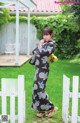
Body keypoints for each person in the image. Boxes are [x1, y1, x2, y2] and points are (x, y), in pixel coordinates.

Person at [29, 27, 58, 118]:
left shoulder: (51, 45)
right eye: (44, 34)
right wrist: (39, 47)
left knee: (40, 89)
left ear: (51, 35)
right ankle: (41, 109)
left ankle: (51, 107)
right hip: (38, 68)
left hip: (44, 69)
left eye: (47, 34)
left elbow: (41, 52)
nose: (44, 36)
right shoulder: (43, 43)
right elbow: (34, 52)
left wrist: (39, 46)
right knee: (35, 89)